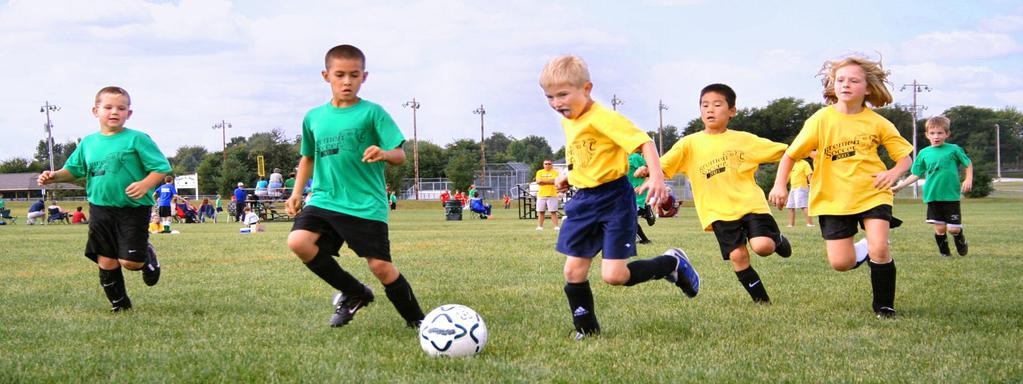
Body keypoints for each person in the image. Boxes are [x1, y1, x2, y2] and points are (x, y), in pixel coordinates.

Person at [539, 55, 699, 339]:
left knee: (614, 276)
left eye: (563, 94)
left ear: (586, 89)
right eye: (549, 96)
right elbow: (583, 153)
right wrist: (568, 174)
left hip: (613, 200)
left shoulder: (604, 118)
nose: (556, 103)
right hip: (582, 202)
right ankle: (587, 331)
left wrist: (657, 177)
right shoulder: (568, 121)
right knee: (573, 272)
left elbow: (644, 142)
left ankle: (671, 263)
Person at [285, 44, 425, 329]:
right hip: (324, 198)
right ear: (326, 76)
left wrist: (384, 153)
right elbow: (308, 157)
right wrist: (297, 192)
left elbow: (400, 155)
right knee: (298, 241)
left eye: (354, 75)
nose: (347, 81)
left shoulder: (373, 113)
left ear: (364, 76)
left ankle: (418, 322)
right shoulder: (313, 117)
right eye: (340, 75)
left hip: (364, 203)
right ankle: (355, 292)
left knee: (380, 267)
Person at [769, 55, 913, 319]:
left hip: (872, 192)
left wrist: (892, 173)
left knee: (880, 247)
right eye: (840, 80)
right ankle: (865, 250)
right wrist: (780, 185)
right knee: (841, 263)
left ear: (868, 87)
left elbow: (905, 158)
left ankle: (884, 306)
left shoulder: (877, 122)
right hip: (833, 199)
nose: (845, 84)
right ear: (833, 85)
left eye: (853, 80)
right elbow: (790, 155)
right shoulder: (821, 120)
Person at [37, 86, 170, 312]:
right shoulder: (88, 143)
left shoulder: (137, 139)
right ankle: (120, 305)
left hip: (133, 208)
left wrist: (145, 184)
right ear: (95, 111)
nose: (114, 112)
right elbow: (74, 169)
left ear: (129, 113)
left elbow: (161, 168)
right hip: (100, 208)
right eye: (108, 107)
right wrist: (54, 176)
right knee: (106, 260)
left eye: (121, 108)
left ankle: (146, 255)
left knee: (130, 263)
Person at [660, 83, 792, 305]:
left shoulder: (744, 139)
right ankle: (762, 302)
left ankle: (776, 240)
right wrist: (647, 171)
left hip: (750, 204)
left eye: (717, 104)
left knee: (763, 246)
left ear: (732, 111)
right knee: (737, 256)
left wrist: (812, 150)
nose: (710, 109)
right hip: (717, 211)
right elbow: (663, 166)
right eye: (705, 105)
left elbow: (785, 151)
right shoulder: (689, 144)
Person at [892, 116, 973, 257]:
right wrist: (900, 186)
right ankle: (945, 253)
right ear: (927, 135)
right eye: (933, 133)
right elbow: (916, 174)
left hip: (950, 195)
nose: (936, 136)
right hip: (932, 195)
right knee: (940, 228)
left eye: (940, 133)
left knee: (953, 229)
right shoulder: (924, 153)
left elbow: (968, 163)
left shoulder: (954, 149)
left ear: (947, 134)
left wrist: (968, 178)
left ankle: (960, 240)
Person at [628, 151, 655, 244]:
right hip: (627, 194)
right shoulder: (618, 159)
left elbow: (650, 173)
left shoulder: (634, 157)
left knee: (628, 217)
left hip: (638, 193)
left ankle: (644, 239)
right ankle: (645, 211)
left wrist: (642, 186)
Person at [786, 153, 815, 227]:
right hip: (793, 188)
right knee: (790, 206)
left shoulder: (805, 163)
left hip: (801, 188)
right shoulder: (792, 164)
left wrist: (811, 185)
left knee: (804, 205)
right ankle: (791, 224)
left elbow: (809, 175)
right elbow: (788, 177)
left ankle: (810, 224)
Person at [534, 159, 561, 231]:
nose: (547, 165)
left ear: (551, 165)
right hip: (541, 194)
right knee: (541, 211)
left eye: (549, 164)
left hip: (552, 194)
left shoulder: (555, 172)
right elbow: (538, 181)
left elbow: (554, 181)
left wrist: (543, 181)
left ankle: (556, 226)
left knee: (553, 211)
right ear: (543, 165)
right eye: (545, 164)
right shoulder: (539, 172)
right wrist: (549, 181)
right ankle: (540, 226)